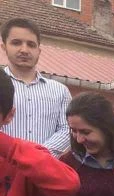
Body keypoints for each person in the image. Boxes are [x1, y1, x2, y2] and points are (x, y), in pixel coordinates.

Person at [0, 19, 70, 157]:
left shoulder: (60, 91)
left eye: (31, 45)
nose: (24, 50)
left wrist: (37, 156)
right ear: (4, 47)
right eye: (16, 43)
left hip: (44, 171)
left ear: (39, 50)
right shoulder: (1, 87)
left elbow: (67, 129)